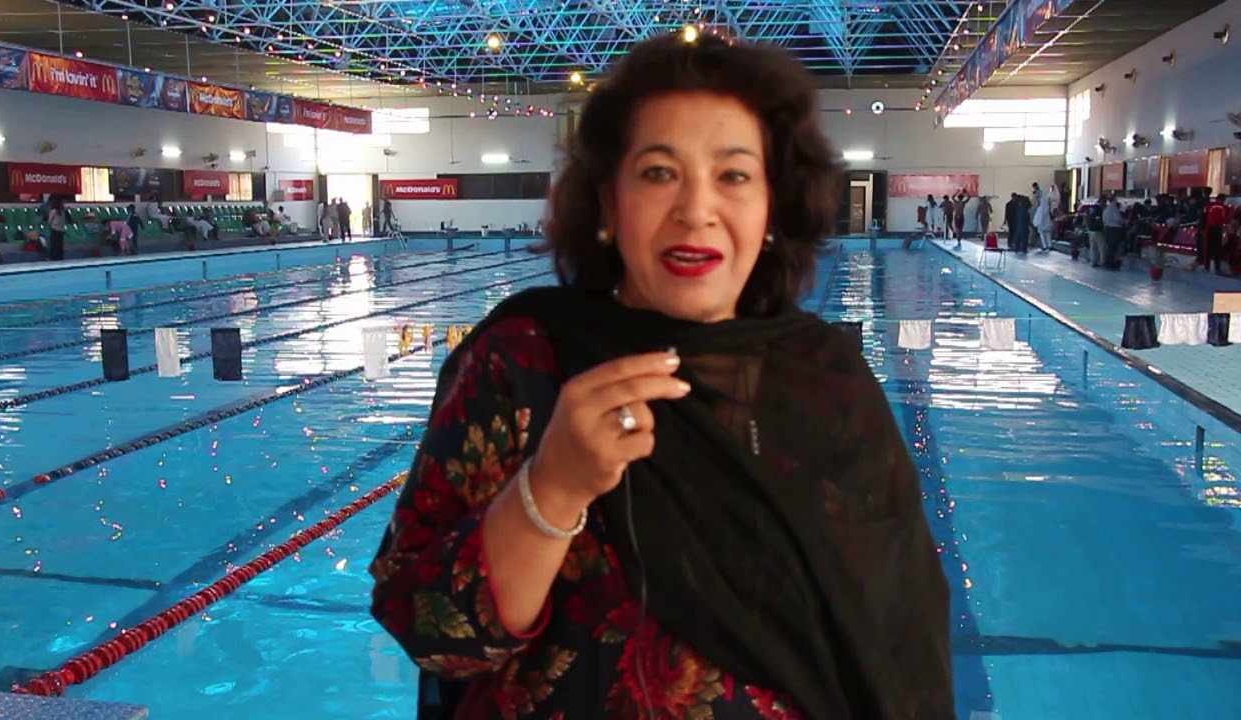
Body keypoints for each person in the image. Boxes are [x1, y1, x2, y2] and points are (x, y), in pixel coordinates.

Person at [369, 33, 954, 720]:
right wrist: (550, 490)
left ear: (773, 206)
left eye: (734, 175)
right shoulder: (523, 363)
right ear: (608, 203)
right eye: (657, 172)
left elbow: (895, 642)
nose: (695, 209)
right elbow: (428, 632)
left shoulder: (829, 383)